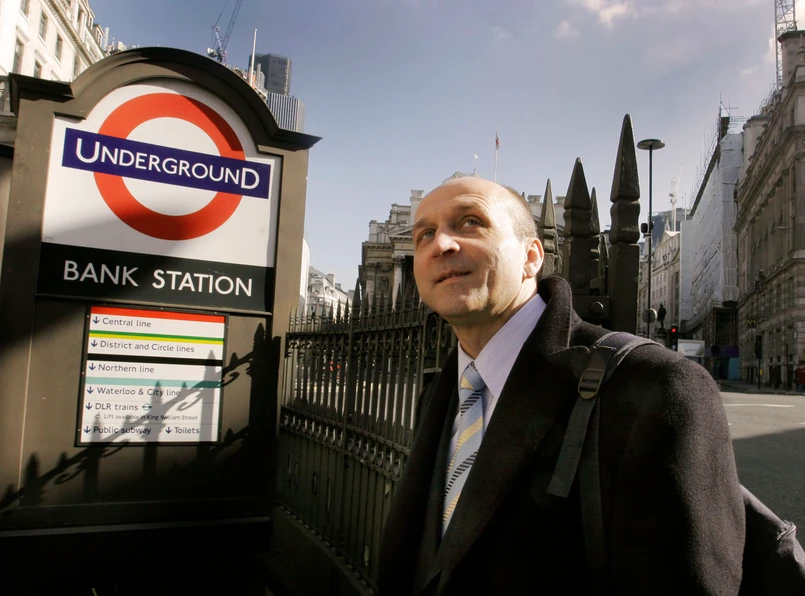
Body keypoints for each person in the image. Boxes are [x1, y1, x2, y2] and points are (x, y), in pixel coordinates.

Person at [377, 176, 745, 595]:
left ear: (531, 256)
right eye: (424, 234)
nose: (441, 244)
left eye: (471, 222)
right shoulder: (439, 394)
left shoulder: (656, 385)